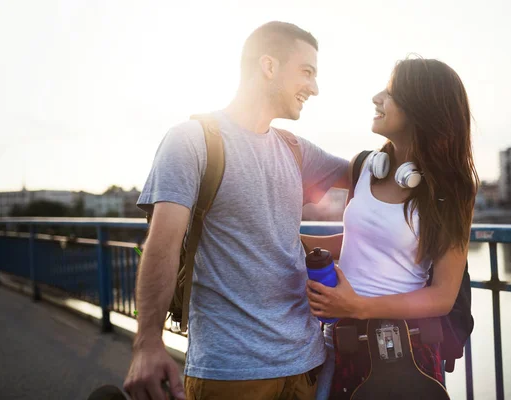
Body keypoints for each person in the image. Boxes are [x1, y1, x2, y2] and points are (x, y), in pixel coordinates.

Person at [123, 21, 350, 400]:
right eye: (307, 72)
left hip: (308, 362)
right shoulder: (192, 141)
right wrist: (147, 343)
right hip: (232, 372)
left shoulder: (294, 149)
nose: (314, 88)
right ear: (269, 66)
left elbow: (368, 174)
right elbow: (161, 245)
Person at [301, 57, 479, 399]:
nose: (376, 98)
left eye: (391, 92)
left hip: (401, 353)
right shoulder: (365, 166)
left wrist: (356, 306)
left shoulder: (451, 190)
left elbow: (442, 297)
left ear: (421, 109)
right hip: (337, 340)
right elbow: (360, 241)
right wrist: (291, 241)